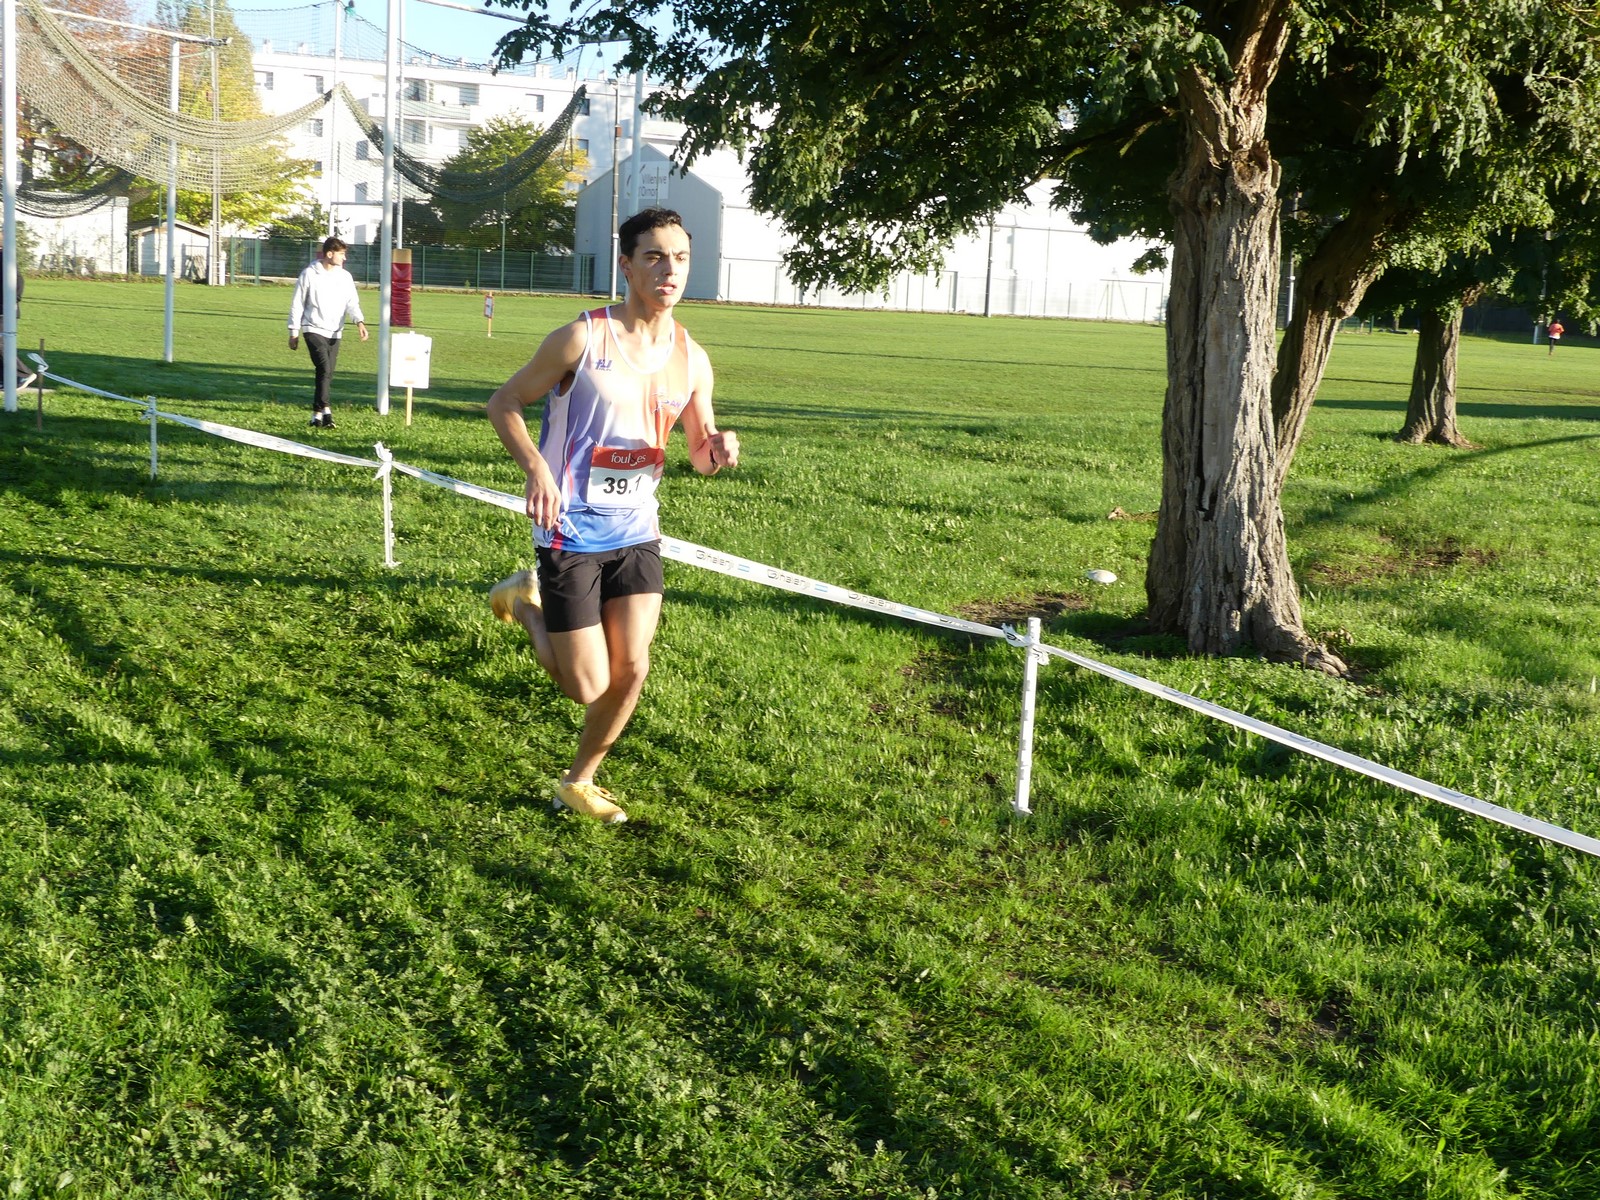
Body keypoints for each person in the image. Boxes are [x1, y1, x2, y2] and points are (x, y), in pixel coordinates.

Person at [486, 208, 739, 824]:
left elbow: (699, 454)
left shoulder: (692, 358)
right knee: (586, 685)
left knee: (632, 668)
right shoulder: (582, 338)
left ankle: (579, 781)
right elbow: (505, 402)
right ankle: (523, 602)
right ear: (626, 265)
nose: (669, 269)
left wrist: (718, 448)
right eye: (654, 256)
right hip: (570, 526)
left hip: (636, 530)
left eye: (679, 257)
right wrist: (536, 469)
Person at [287, 236, 367, 428]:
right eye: (341, 254)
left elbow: (352, 302)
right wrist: (293, 331)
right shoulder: (309, 274)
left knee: (327, 372)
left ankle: (316, 416)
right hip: (312, 328)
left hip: (335, 331)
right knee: (324, 368)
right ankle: (327, 412)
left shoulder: (345, 277)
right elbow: (297, 303)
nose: (344, 258)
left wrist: (359, 322)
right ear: (329, 254)